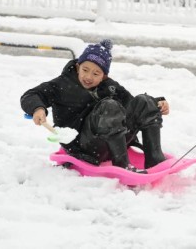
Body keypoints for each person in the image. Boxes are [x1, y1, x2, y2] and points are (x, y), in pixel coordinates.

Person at [21, 39, 169, 172]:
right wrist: (38, 108)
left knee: (144, 101)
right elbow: (31, 95)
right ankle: (123, 166)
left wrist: (156, 105)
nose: (88, 77)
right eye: (85, 70)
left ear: (104, 76)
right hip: (83, 146)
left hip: (114, 143)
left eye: (96, 73)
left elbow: (133, 105)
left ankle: (155, 159)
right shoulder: (62, 85)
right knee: (109, 107)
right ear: (78, 67)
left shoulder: (110, 86)